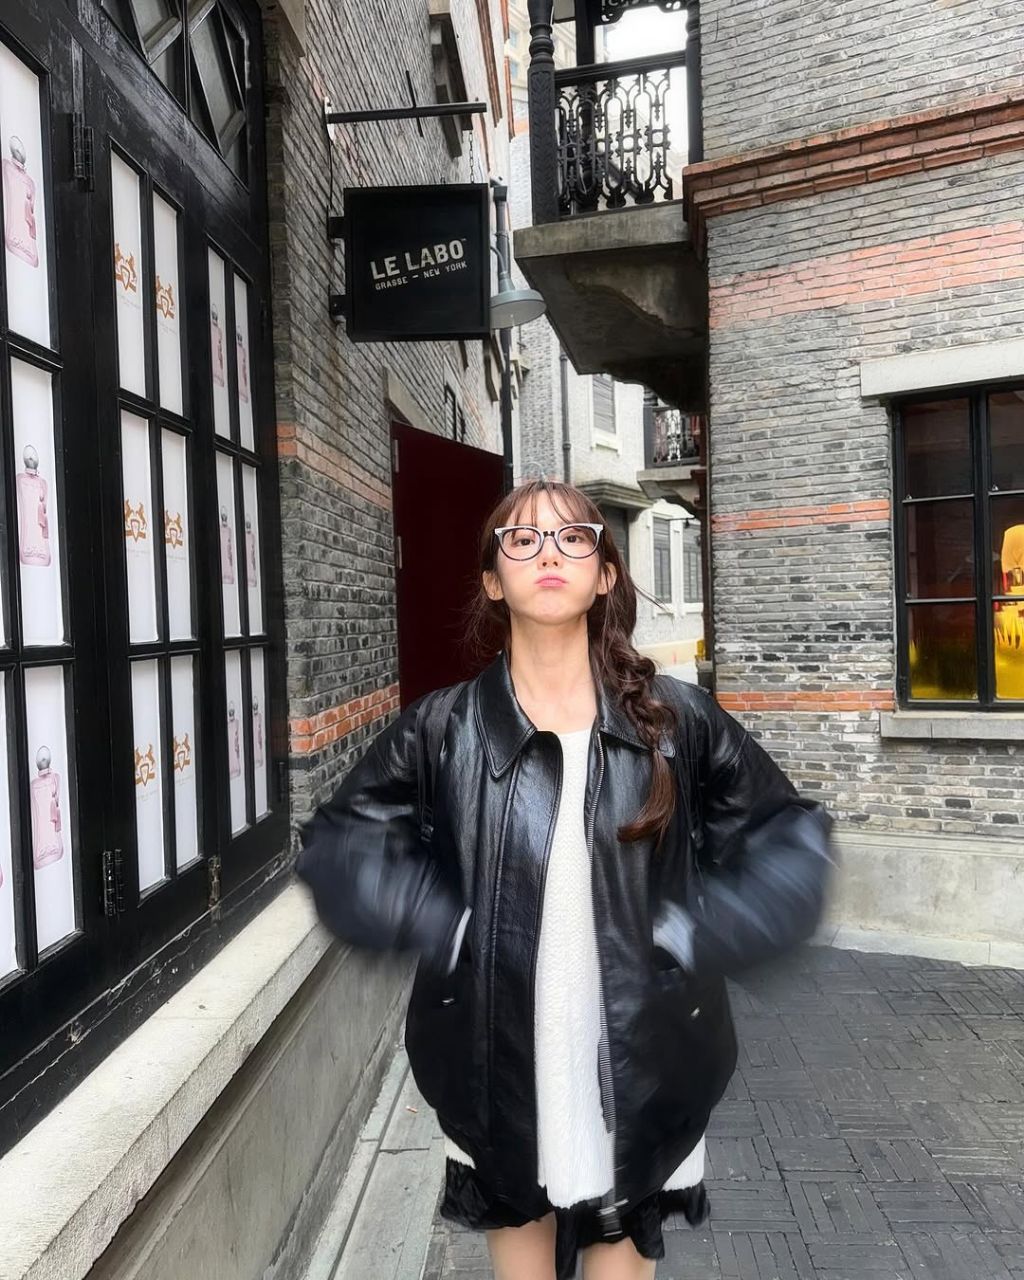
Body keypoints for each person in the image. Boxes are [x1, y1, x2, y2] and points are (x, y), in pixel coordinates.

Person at [297, 480, 834, 1280]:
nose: (548, 552)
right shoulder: (443, 729)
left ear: (605, 572)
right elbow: (341, 843)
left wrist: (699, 933)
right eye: (522, 539)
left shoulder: (677, 722)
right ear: (492, 579)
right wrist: (441, 923)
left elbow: (789, 842)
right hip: (499, 1076)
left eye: (573, 537)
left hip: (645, 1071)